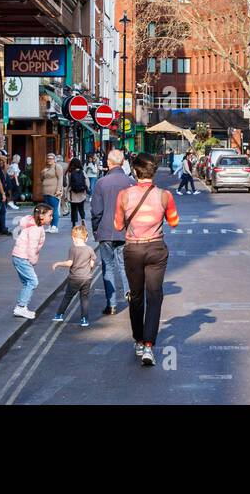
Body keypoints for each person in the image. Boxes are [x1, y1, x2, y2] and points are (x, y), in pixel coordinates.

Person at [114, 154, 180, 367]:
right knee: (155, 295)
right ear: (154, 172)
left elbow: (117, 226)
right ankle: (150, 345)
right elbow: (174, 222)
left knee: (136, 296)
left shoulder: (124, 195)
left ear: (135, 172)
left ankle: (139, 340)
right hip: (156, 248)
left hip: (133, 249)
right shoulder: (164, 195)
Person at [90, 148, 134, 316]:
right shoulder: (131, 182)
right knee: (124, 266)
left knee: (108, 267)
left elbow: (96, 211)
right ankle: (130, 297)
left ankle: (112, 305)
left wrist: (96, 229)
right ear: (122, 162)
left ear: (108, 163)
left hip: (106, 231)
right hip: (125, 231)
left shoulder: (101, 183)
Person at [11, 203, 53, 319]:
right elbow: (32, 247)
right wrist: (33, 260)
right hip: (23, 257)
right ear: (41, 216)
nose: (52, 218)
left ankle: (22, 307)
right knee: (33, 281)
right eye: (50, 215)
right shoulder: (36, 228)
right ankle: (20, 307)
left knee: (27, 282)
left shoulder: (33, 224)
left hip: (18, 256)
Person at [51, 224, 98, 327]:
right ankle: (84, 319)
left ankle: (59, 315)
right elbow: (92, 263)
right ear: (86, 238)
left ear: (73, 238)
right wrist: (89, 268)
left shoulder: (73, 249)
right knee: (84, 298)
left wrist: (58, 263)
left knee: (68, 297)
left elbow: (69, 263)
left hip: (75, 278)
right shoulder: (90, 249)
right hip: (87, 278)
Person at [41, 153, 63, 233]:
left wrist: (58, 190)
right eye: (48, 158)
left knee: (54, 209)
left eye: (51, 158)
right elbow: (41, 178)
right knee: (48, 210)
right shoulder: (46, 168)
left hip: (53, 192)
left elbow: (60, 178)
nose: (49, 160)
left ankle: (54, 226)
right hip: (46, 192)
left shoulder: (57, 167)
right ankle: (50, 225)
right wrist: (43, 172)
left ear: (54, 159)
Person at [66, 157, 90, 228]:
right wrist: (86, 189)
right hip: (81, 193)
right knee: (81, 208)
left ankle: (74, 224)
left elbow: (67, 184)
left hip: (73, 193)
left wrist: (66, 194)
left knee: (73, 209)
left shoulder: (70, 172)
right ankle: (83, 219)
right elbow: (87, 181)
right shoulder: (82, 172)